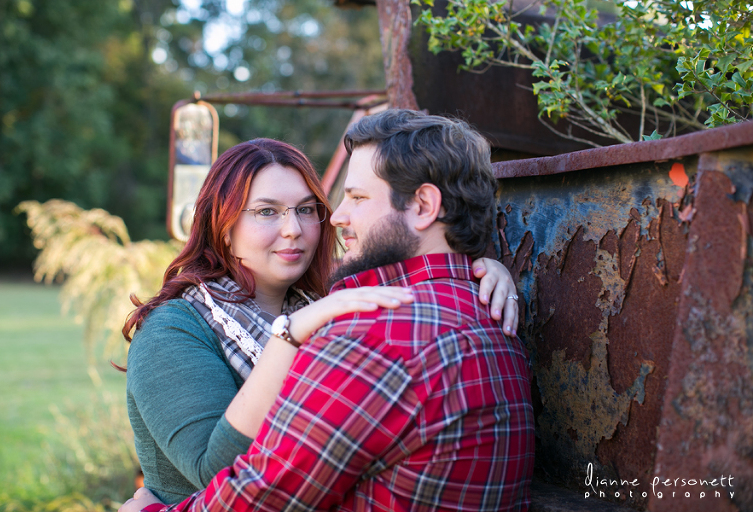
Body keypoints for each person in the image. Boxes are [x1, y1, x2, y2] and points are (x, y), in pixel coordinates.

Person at [121, 109, 534, 512]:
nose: (294, 229)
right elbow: (220, 478)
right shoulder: (173, 329)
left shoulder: (338, 311)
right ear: (223, 228)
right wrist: (289, 334)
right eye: (267, 211)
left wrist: (485, 270)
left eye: (306, 209)